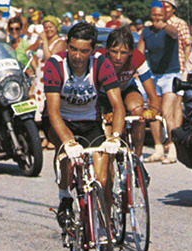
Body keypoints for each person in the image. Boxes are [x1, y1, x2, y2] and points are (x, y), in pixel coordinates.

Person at [44, 22, 125, 233]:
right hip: (61, 121)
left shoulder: (101, 63)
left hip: (90, 122)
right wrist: (68, 142)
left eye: (84, 51)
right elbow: (52, 111)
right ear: (67, 46)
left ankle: (103, 228)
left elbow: (118, 106)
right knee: (68, 158)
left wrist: (115, 136)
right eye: (73, 49)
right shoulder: (55, 64)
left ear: (92, 50)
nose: (78, 56)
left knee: (103, 177)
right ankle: (64, 196)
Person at [97, 26, 161, 158]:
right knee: (108, 129)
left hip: (126, 90)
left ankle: (137, 157)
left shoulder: (137, 58)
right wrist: (101, 113)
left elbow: (152, 95)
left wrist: (153, 110)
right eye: (114, 52)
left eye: (124, 53)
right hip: (102, 95)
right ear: (107, 50)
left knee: (138, 111)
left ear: (131, 52)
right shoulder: (98, 58)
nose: (118, 57)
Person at [137, 1, 180, 163]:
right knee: (153, 112)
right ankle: (158, 148)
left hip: (170, 75)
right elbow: (140, 53)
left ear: (165, 15)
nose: (157, 18)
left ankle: (173, 147)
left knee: (167, 112)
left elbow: (174, 34)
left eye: (160, 15)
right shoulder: (146, 32)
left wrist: (163, 25)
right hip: (154, 75)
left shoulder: (169, 29)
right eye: (154, 15)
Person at [28, 15, 67, 150]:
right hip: (39, 78)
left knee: (49, 108)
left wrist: (44, 42)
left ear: (56, 28)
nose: (48, 29)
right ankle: (45, 136)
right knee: (38, 108)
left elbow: (51, 59)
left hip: (52, 78)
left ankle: (51, 138)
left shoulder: (60, 42)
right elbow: (29, 51)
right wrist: (34, 65)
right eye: (45, 27)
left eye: (50, 27)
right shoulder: (42, 41)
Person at [162, 0, 192, 164]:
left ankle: (173, 143)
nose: (164, 9)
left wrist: (185, 70)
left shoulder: (178, 24)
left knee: (172, 109)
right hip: (162, 71)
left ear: (173, 9)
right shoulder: (157, 23)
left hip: (178, 69)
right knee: (169, 110)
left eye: (166, 6)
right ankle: (172, 142)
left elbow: (188, 45)